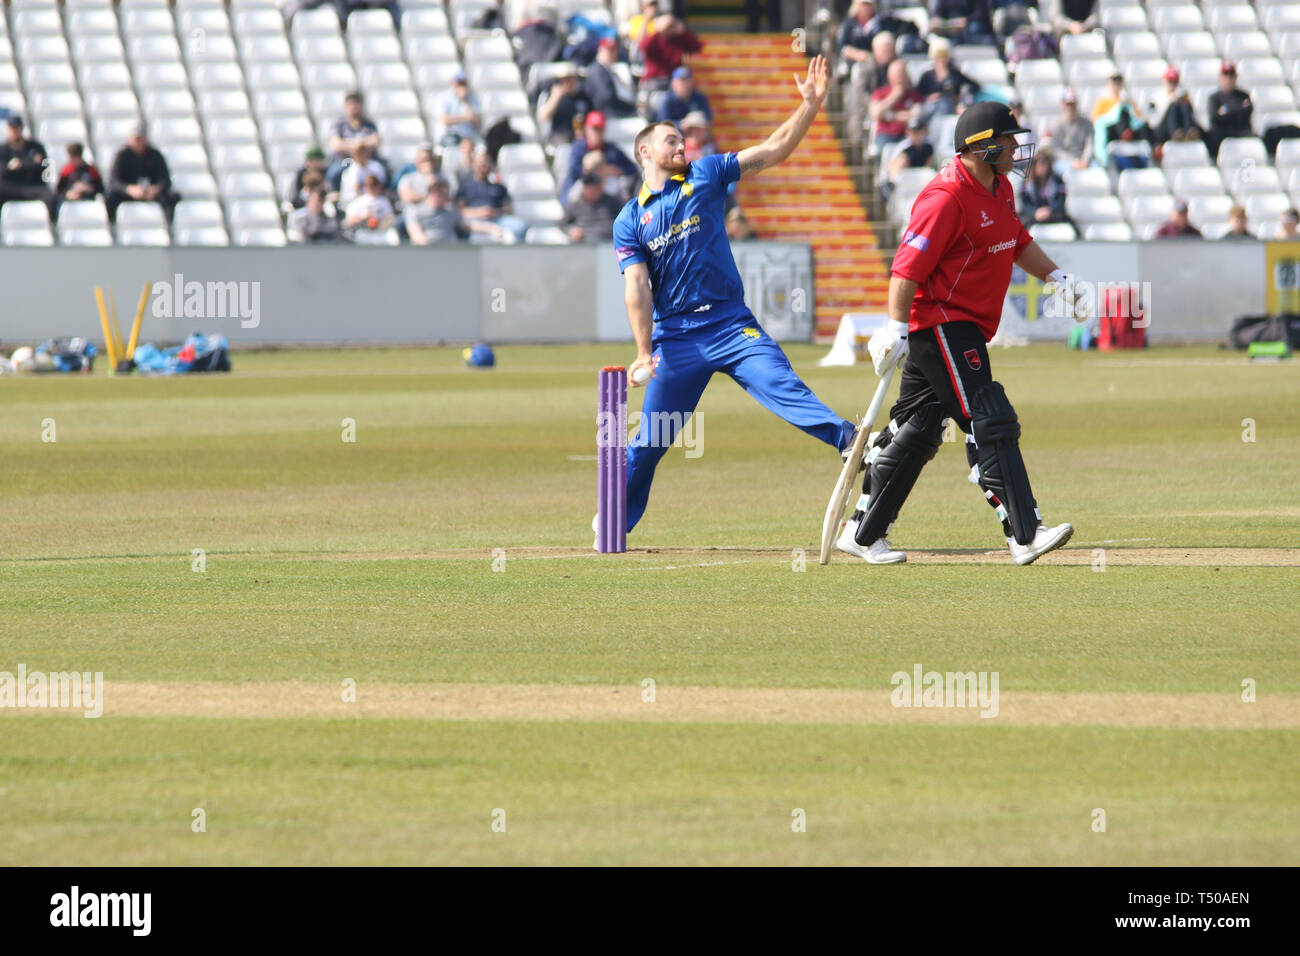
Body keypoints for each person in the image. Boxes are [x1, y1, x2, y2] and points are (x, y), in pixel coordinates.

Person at [608, 56, 858, 544]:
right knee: (648, 442)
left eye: (682, 139)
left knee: (780, 382)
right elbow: (637, 288)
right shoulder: (629, 220)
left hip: (730, 325)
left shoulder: (707, 173)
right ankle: (615, 520)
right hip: (677, 338)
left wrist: (809, 107)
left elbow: (774, 149)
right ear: (644, 151)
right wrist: (643, 353)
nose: (682, 145)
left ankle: (849, 440)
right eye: (670, 140)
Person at [843, 100, 1084, 565]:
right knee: (988, 416)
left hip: (967, 324)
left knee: (919, 428)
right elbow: (906, 269)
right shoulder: (945, 197)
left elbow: (1015, 240)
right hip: (942, 322)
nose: (1016, 148)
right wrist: (894, 329)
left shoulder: (999, 188)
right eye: (1007, 140)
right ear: (981, 147)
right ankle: (1024, 532)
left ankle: (862, 532)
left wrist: (1058, 279)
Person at [106, 125, 179, 223]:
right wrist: (130, 189)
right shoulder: (122, 156)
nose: (140, 143)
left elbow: (165, 180)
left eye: (142, 139)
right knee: (111, 197)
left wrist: (155, 189)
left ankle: (168, 225)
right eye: (137, 139)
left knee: (172, 197)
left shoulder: (155, 155)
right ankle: (112, 224)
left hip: (151, 192)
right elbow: (114, 181)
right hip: (129, 193)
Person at [560, 111, 638, 199]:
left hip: (606, 197)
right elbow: (574, 171)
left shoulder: (611, 150)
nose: (596, 133)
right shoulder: (578, 148)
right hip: (580, 195)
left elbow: (632, 169)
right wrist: (596, 170)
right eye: (594, 129)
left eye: (600, 129)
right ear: (586, 129)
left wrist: (615, 170)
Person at [457, 148, 528, 243]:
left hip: (497, 218)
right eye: (480, 163)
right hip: (474, 220)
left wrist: (494, 212)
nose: (483, 166)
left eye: (486, 163)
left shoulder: (499, 187)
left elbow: (508, 208)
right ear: (474, 165)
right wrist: (478, 212)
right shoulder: (466, 186)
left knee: (520, 227)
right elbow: (459, 210)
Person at [0, 116, 57, 219]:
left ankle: (51, 225)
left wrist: (20, 165)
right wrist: (30, 164)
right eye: (12, 129)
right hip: (11, 187)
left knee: (49, 196)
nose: (15, 131)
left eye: (17, 128)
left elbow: (44, 166)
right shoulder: (3, 150)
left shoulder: (35, 147)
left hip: (32, 186)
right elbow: (3, 171)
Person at [869, 59, 924, 154]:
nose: (901, 77)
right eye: (898, 74)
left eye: (903, 73)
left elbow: (916, 115)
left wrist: (889, 115)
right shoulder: (880, 93)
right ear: (890, 76)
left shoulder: (914, 95)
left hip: (908, 135)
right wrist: (895, 95)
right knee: (881, 152)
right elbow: (876, 113)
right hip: (886, 134)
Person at [917, 38, 977, 121]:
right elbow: (918, 93)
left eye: (944, 55)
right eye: (939, 56)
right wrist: (928, 98)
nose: (941, 59)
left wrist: (958, 98)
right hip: (931, 109)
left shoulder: (955, 74)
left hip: (950, 107)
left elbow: (974, 85)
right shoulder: (927, 76)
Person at [639, 14, 703, 93]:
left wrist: (682, 30)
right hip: (655, 79)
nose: (668, 28)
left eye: (671, 26)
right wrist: (658, 30)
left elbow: (696, 47)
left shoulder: (679, 38)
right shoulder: (655, 38)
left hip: (676, 79)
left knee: (692, 93)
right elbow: (643, 46)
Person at [326, 91, 381, 182]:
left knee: (381, 170)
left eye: (357, 103)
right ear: (346, 106)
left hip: (367, 160)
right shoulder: (340, 124)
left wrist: (348, 144)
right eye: (351, 104)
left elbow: (375, 141)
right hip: (346, 160)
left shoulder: (369, 124)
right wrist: (360, 145)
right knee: (334, 172)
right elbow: (336, 145)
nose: (354, 107)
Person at [1207, 61, 1252, 160]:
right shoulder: (1214, 98)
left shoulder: (1243, 95)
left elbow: (1247, 113)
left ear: (1236, 77)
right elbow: (1214, 118)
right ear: (1220, 78)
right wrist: (1238, 109)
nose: (1228, 79)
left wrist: (1227, 112)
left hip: (1240, 132)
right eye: (1225, 75)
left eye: (1231, 75)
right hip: (1221, 136)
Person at [882, 115, 935, 200]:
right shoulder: (904, 147)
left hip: (921, 176)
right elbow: (892, 165)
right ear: (908, 132)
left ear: (923, 131)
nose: (916, 134)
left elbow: (930, 164)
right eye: (913, 131)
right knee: (902, 161)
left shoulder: (929, 145)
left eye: (918, 131)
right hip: (906, 176)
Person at [537, 64, 590, 145]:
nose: (567, 82)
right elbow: (543, 117)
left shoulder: (582, 97)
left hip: (580, 135)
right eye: (564, 79)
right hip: (560, 136)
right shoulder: (553, 96)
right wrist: (555, 98)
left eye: (570, 78)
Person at [585, 37, 638, 118]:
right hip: (605, 117)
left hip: (615, 113)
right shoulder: (597, 71)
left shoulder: (608, 70)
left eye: (614, 50)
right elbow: (606, 97)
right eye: (609, 50)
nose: (612, 53)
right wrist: (630, 107)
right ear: (600, 50)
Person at [1044, 89, 1093, 174]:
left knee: (1097, 171)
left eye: (1073, 104)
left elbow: (1090, 145)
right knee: (1063, 171)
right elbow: (1056, 149)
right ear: (1063, 105)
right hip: (1064, 161)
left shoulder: (1087, 123)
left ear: (1077, 104)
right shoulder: (1056, 124)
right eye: (1068, 104)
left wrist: (1085, 160)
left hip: (1084, 160)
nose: (1071, 107)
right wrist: (1073, 161)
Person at [564, 171, 623, 242]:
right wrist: (571, 230)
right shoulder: (575, 205)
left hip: (610, 242)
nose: (593, 191)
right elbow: (563, 223)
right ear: (584, 189)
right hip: (585, 243)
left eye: (596, 188)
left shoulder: (614, 202)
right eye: (590, 188)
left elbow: (625, 220)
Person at [406, 177, 466, 244]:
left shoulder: (450, 211)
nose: (448, 198)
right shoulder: (414, 211)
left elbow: (465, 225)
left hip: (450, 248)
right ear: (434, 194)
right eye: (444, 195)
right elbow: (416, 234)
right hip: (427, 249)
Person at [1150, 67, 1202, 145]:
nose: (1173, 84)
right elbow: (1153, 123)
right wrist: (1169, 102)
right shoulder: (1155, 98)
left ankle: (1190, 132)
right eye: (1170, 81)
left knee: (1185, 105)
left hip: (1181, 128)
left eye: (1175, 82)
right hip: (1161, 131)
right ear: (1164, 81)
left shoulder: (1180, 96)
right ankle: (1176, 133)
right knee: (1173, 106)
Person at [1018, 149, 1068, 228]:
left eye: (1044, 164)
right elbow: (1025, 203)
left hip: (1052, 213)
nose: (1042, 167)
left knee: (1065, 218)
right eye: (1039, 164)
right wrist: (1035, 212)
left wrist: (1049, 211)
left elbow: (1061, 200)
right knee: (1021, 220)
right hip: (1035, 214)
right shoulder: (1027, 182)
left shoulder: (1057, 180)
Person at [437, 70, 483, 148]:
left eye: (463, 83)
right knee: (452, 144)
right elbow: (444, 120)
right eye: (459, 83)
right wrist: (464, 118)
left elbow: (477, 121)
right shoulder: (444, 97)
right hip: (451, 134)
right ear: (453, 84)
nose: (462, 87)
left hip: (469, 136)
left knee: (482, 148)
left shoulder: (472, 98)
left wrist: (465, 101)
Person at [929, 0, 994, 46]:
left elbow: (982, 13)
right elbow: (938, 12)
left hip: (969, 25)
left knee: (975, 27)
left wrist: (966, 20)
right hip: (950, 26)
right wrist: (936, 20)